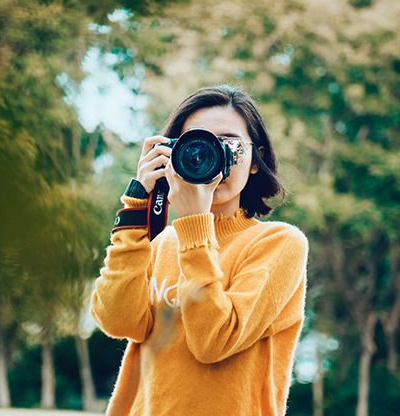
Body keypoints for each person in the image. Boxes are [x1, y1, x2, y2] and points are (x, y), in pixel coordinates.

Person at [90, 84, 309, 415]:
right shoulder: (160, 243)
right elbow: (117, 321)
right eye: (196, 143)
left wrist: (195, 224)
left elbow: (213, 341)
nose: (211, 154)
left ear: (254, 160)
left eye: (229, 143)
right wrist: (137, 207)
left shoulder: (279, 244)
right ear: (172, 153)